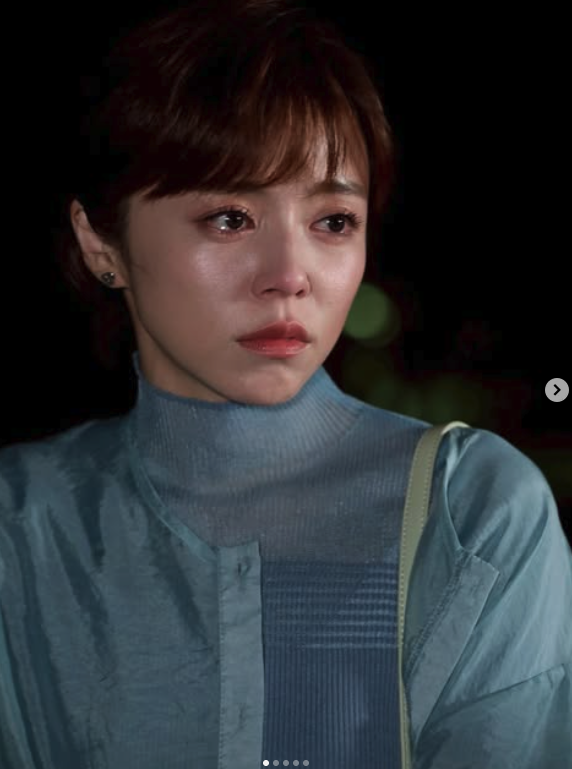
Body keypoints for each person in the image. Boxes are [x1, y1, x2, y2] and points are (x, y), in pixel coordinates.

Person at [0, 1, 570, 768]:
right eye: (230, 217)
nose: (290, 276)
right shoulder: (23, 524)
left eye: (333, 221)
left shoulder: (470, 515)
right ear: (101, 241)